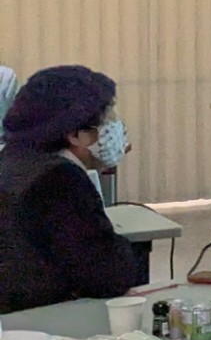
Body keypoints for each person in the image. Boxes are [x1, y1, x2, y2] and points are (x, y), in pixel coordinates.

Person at [0, 65, 142, 313]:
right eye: (107, 120)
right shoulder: (60, 180)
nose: (116, 129)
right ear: (75, 135)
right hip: (44, 320)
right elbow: (109, 275)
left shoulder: (11, 159)